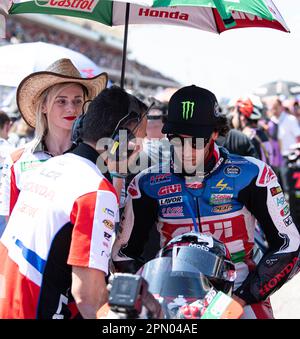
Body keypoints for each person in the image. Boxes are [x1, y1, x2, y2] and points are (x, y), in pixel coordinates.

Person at [112, 85, 300, 319]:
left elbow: (289, 245)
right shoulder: (146, 183)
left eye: (196, 141)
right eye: (177, 139)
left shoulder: (253, 174)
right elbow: (123, 254)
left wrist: (242, 298)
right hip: (170, 298)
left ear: (214, 133)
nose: (187, 149)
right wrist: (147, 298)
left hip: (238, 292)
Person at [0, 86, 148, 319]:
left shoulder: (50, 166)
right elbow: (88, 298)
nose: (141, 150)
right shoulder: (95, 191)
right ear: (121, 141)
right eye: (139, 141)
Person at [0, 58, 107, 220]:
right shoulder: (17, 160)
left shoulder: (100, 159)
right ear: (43, 106)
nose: (71, 108)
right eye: (61, 101)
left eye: (77, 101)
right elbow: (11, 225)